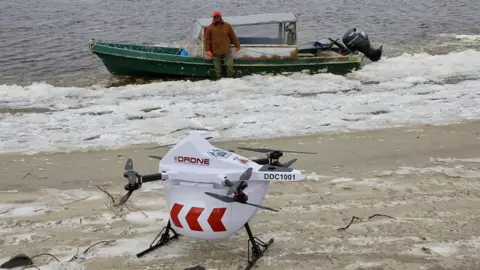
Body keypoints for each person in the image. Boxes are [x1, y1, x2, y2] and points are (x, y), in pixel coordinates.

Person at [204, 11, 241, 79]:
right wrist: (208, 50)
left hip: (226, 51)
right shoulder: (209, 28)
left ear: (220, 17)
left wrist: (237, 45)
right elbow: (207, 40)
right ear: (213, 18)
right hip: (215, 52)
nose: (217, 18)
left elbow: (233, 36)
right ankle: (219, 80)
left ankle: (230, 79)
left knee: (230, 66)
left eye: (218, 17)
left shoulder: (227, 25)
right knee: (217, 68)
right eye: (215, 17)